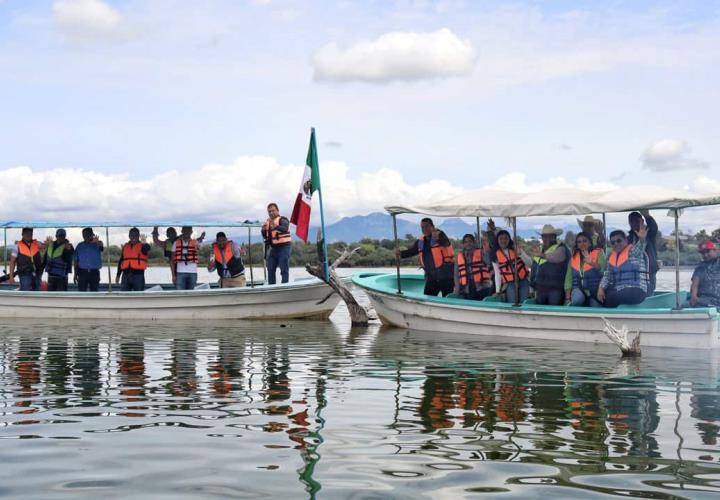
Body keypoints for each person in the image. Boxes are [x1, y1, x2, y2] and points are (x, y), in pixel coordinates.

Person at [397, 218, 455, 297]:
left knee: (448, 300)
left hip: (446, 277)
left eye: (427, 226)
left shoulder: (440, 234)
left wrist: (438, 237)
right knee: (427, 298)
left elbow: (446, 243)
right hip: (432, 278)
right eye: (422, 227)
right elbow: (412, 251)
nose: (425, 229)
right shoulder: (421, 241)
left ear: (433, 226)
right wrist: (400, 254)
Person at [597, 226, 649, 308]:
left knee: (611, 297)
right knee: (601, 296)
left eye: (619, 241)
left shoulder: (634, 253)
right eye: (613, 242)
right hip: (620, 290)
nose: (616, 244)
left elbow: (640, 246)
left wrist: (642, 239)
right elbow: (607, 276)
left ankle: (610, 317)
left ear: (626, 240)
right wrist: (601, 288)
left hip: (637, 290)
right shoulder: (612, 258)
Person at [531, 224, 571, 305]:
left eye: (550, 236)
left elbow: (556, 257)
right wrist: (521, 254)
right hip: (540, 289)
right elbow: (534, 267)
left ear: (555, 237)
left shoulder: (561, 248)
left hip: (556, 290)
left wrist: (542, 255)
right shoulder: (540, 249)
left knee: (554, 313)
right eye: (544, 236)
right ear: (542, 237)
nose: (547, 238)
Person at [564, 231, 606, 307]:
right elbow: (568, 279)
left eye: (585, 241)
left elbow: (603, 269)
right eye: (579, 242)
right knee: (577, 300)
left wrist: (592, 263)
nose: (582, 244)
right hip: (578, 290)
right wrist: (567, 298)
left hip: (595, 291)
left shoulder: (599, 252)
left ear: (590, 242)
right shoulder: (573, 257)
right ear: (577, 245)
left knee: (597, 308)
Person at [491, 229, 531, 303]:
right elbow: (497, 274)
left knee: (524, 303)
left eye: (506, 238)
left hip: (523, 281)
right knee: (512, 303)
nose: (503, 241)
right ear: (497, 240)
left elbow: (530, 263)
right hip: (510, 283)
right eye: (501, 239)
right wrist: (497, 290)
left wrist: (520, 254)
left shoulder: (516, 249)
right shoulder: (495, 255)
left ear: (509, 239)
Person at [453, 233, 493, 300]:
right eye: (466, 242)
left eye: (470, 241)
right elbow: (456, 274)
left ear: (474, 243)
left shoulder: (482, 253)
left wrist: (487, 250)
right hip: (467, 288)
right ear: (463, 244)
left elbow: (488, 262)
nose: (468, 243)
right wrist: (457, 288)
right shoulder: (459, 256)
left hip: (482, 286)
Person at [628, 210, 658, 296]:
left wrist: (647, 216)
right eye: (631, 221)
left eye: (637, 221)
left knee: (648, 294)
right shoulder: (629, 237)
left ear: (642, 221)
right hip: (634, 273)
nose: (634, 223)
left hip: (649, 272)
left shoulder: (649, 233)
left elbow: (653, 227)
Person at [262, 203, 292, 285]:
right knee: (270, 268)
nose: (271, 213)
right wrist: (263, 230)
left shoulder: (283, 219)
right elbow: (266, 237)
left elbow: (285, 229)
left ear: (278, 211)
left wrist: (276, 226)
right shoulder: (268, 222)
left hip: (284, 247)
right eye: (269, 211)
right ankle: (271, 286)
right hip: (274, 249)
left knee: (283, 268)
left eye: (273, 211)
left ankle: (285, 285)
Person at [684, 241, 720, 308]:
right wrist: (694, 296)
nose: (705, 255)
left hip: (717, 300)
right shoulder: (700, 267)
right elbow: (695, 284)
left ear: (715, 250)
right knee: (682, 307)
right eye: (703, 253)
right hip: (704, 300)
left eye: (708, 251)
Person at [115, 227, 151, 292]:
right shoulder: (125, 246)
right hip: (125, 276)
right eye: (132, 235)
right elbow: (121, 261)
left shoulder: (143, 246)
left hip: (138, 276)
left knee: (139, 296)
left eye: (136, 235)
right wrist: (118, 275)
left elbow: (147, 248)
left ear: (138, 236)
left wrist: (144, 242)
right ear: (129, 236)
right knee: (124, 295)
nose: (133, 237)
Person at [74, 227, 104, 292]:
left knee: (95, 292)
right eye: (84, 235)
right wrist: (75, 274)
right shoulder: (79, 246)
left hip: (94, 272)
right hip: (82, 273)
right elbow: (76, 261)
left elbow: (101, 248)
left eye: (87, 234)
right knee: (81, 292)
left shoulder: (98, 243)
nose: (85, 236)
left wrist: (97, 242)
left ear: (92, 234)